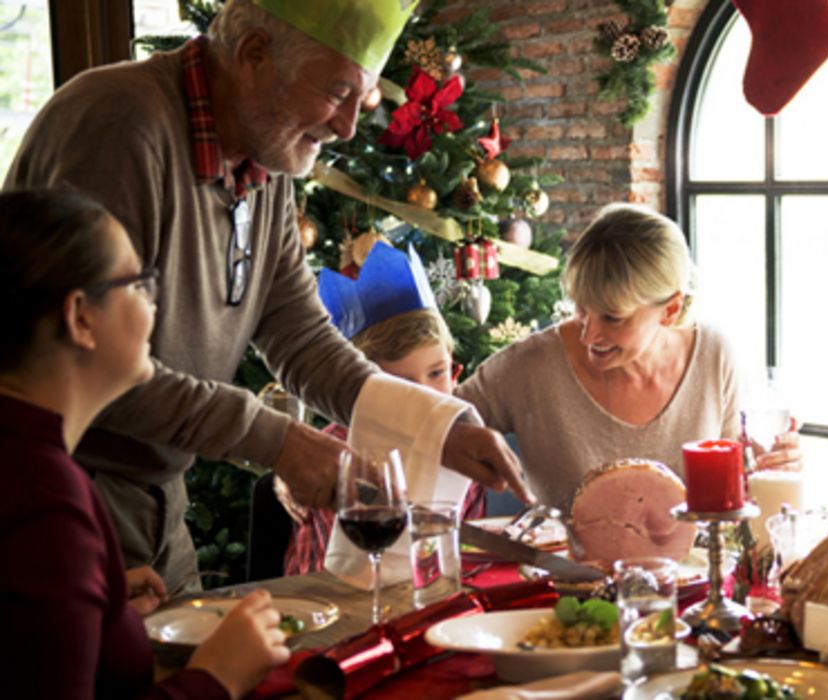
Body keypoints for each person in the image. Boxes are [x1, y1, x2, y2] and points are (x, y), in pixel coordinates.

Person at [4, 0, 526, 593]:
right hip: (62, 491)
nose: (349, 127)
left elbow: (298, 333)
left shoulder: (264, 159)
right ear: (254, 54)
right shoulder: (118, 125)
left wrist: (436, 429)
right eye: (336, 93)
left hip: (159, 510)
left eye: (364, 99)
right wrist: (277, 440)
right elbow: (83, 357)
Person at [0, 189, 288, 699]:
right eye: (139, 283)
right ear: (81, 317)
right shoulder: (43, 502)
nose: (156, 304)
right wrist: (215, 679)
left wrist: (97, 610)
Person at [457, 203, 802, 511]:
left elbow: (732, 499)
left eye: (612, 317)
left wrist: (771, 470)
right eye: (581, 308)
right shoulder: (530, 365)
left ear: (670, 309)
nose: (588, 335)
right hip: (565, 581)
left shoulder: (713, 354)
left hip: (689, 578)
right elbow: (432, 425)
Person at [282, 242, 487, 575]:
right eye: (401, 388)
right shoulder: (336, 460)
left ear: (455, 371)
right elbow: (320, 580)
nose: (426, 398)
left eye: (436, 373)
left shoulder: (463, 452)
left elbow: (469, 566)